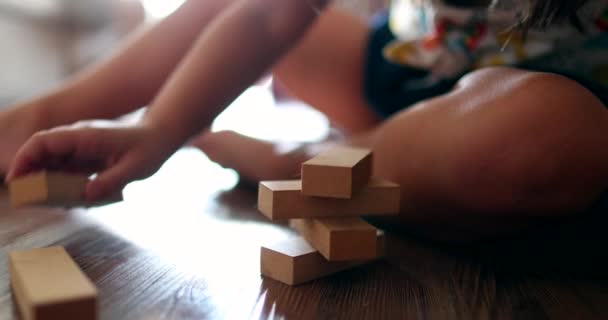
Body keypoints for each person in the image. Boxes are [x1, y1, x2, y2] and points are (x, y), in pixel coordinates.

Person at [2, 0, 608, 241]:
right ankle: (37, 115)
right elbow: (271, 18)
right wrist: (159, 129)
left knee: (540, 138)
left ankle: (297, 163)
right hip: (406, 67)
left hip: (560, 106)